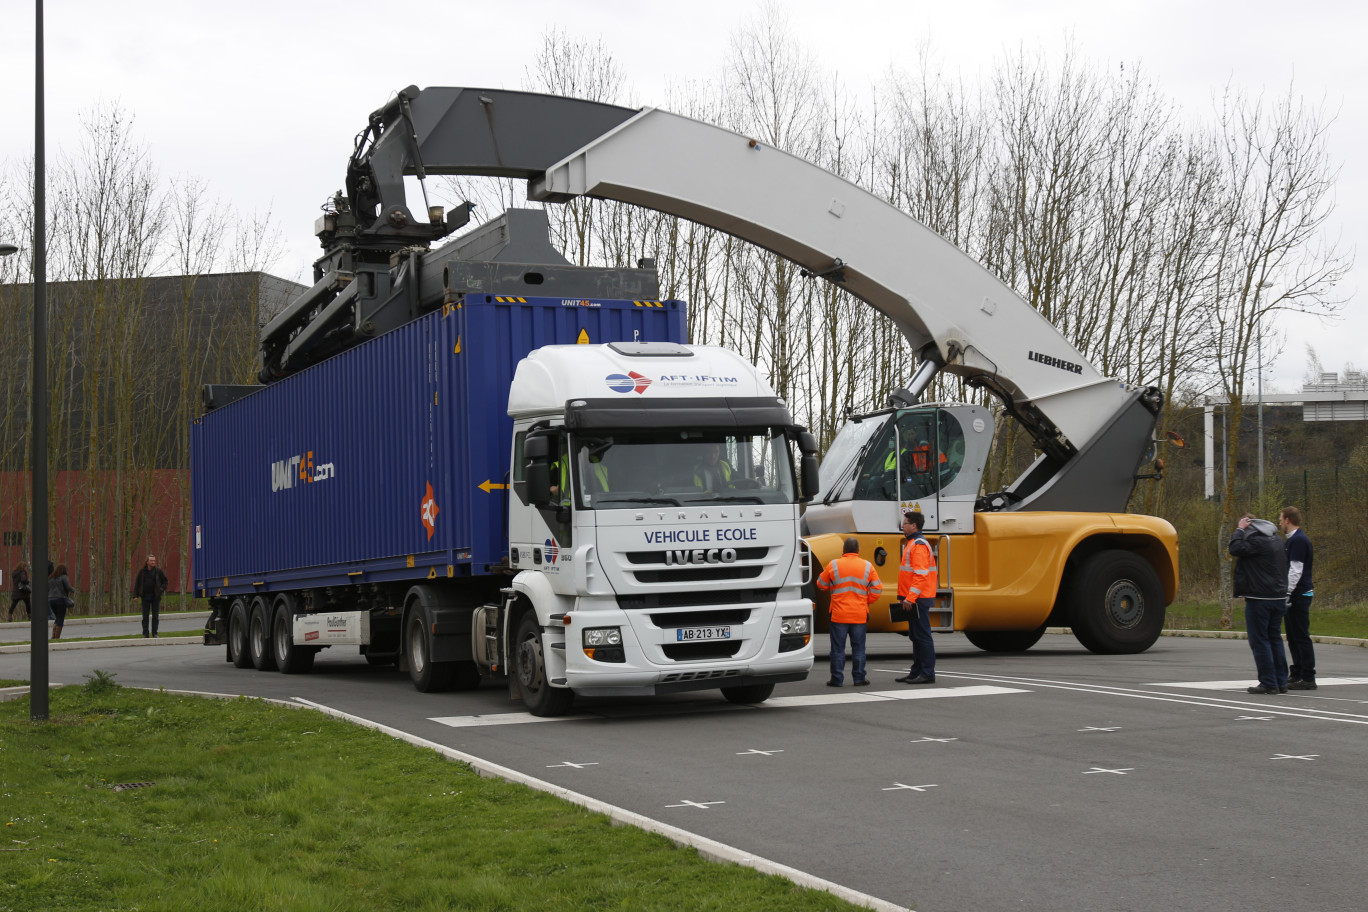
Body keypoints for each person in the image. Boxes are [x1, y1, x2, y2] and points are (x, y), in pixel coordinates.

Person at [1228, 513, 1290, 694]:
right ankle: (1281, 681)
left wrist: (1239, 530)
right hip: (1277, 597)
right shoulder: (1277, 540)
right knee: (1275, 639)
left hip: (1260, 598)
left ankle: (1268, 682)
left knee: (1260, 641)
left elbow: (1235, 548)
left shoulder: (1256, 542)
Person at [815, 536, 882, 687]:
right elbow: (877, 589)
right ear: (858, 550)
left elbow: (820, 584)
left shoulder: (834, 565)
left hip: (839, 615)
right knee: (859, 649)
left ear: (843, 550)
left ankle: (837, 679)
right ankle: (859, 679)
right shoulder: (867, 566)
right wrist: (866, 601)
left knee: (837, 649)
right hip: (859, 615)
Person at [895, 510, 938, 684]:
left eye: (904, 523)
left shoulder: (918, 545)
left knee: (922, 636)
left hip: (918, 598)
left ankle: (927, 673)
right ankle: (917, 671)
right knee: (916, 636)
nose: (902, 526)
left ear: (913, 525)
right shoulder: (914, 543)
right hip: (915, 597)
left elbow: (920, 575)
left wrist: (910, 598)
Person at [1279, 505, 1316, 690]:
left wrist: (1287, 592)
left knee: (1301, 635)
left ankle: (1308, 676)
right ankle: (1297, 672)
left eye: (1281, 519)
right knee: (1293, 636)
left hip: (1299, 594)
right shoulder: (1291, 541)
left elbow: (1296, 570)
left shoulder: (1298, 541)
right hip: (1295, 594)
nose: (1280, 523)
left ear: (1287, 520)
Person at [133, 554, 169, 638]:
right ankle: (145, 633)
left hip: (155, 597)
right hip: (145, 597)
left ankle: (155, 633)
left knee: (155, 616)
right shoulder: (142, 572)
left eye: (154, 561)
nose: (153, 562)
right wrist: (135, 596)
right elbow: (137, 584)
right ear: (147, 562)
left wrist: (160, 589)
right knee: (145, 616)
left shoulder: (158, 571)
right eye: (151, 561)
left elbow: (165, 581)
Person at [47, 563, 74, 640]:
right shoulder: (63, 577)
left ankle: (53, 636)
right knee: (60, 618)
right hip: (60, 599)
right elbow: (68, 587)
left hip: (50, 600)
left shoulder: (50, 578)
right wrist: (74, 590)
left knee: (57, 617)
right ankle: (57, 637)